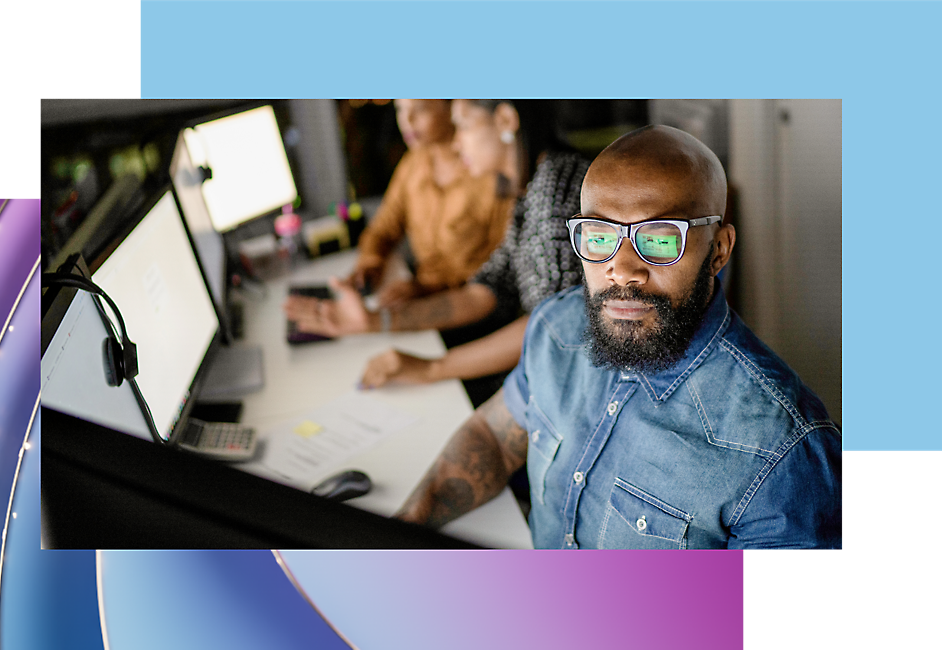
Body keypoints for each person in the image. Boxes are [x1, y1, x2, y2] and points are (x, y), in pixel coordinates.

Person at [394, 125, 843, 549]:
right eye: (598, 235)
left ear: (718, 250)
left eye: (662, 239)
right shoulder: (556, 328)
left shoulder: (783, 449)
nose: (622, 268)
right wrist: (400, 533)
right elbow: (493, 438)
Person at [284, 100, 590, 396]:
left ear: (507, 121)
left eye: (464, 126)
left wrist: (432, 368)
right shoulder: (527, 186)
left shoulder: (556, 190)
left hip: (564, 380)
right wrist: (375, 320)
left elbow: (551, 326)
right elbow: (487, 289)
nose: (457, 144)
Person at [348, 99, 514, 307]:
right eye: (401, 109)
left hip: (470, 306)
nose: (406, 120)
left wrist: (429, 288)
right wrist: (371, 262)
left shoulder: (488, 170)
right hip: (419, 299)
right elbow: (383, 228)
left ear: (452, 108)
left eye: (421, 110)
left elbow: (501, 269)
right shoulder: (413, 165)